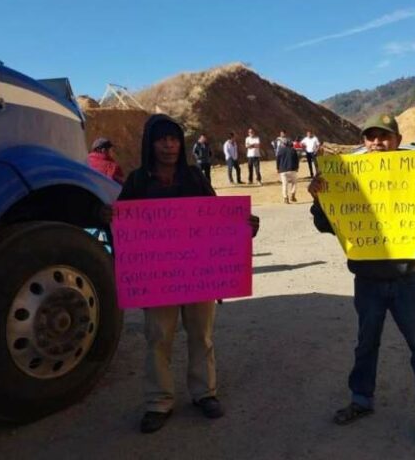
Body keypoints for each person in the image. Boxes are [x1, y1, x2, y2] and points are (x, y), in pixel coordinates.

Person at [308, 113, 415, 446]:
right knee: (366, 344)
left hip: (407, 281)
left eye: (384, 136)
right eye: (371, 137)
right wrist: (319, 198)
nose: (377, 143)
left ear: (397, 140)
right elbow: (325, 225)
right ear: (364, 141)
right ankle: (361, 400)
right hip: (367, 281)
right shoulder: (349, 175)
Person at [115, 115, 259, 434]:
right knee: (158, 338)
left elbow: (218, 218)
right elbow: (121, 224)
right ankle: (158, 402)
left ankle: (204, 393)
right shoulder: (137, 182)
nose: (169, 145)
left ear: (181, 144)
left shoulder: (194, 177)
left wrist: (245, 226)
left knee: (201, 335)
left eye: (174, 139)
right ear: (150, 144)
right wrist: (106, 216)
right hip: (156, 279)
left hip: (198, 277)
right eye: (162, 139)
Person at [276, 137, 299, 203]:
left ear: (283, 144)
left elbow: (278, 160)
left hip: (283, 170)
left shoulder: (280, 151)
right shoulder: (293, 150)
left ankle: (285, 197)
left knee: (284, 184)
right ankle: (293, 194)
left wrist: (278, 168)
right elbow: (297, 160)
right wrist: (297, 167)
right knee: (294, 182)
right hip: (292, 169)